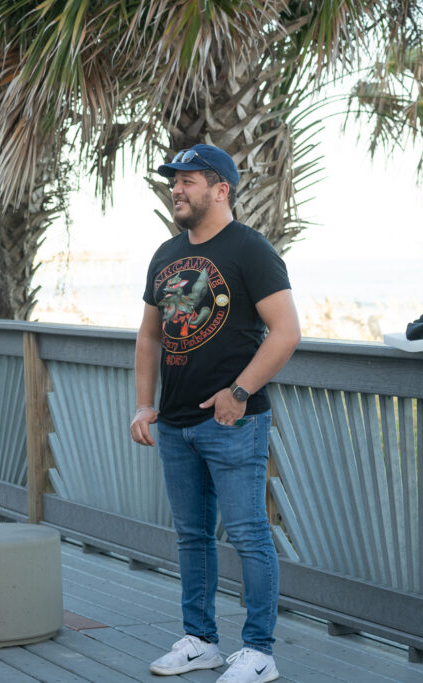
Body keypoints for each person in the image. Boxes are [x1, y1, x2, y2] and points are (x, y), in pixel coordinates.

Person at [130, 144, 301, 683]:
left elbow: (288, 332)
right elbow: (149, 336)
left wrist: (239, 392)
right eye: (174, 181)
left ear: (221, 188)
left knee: (249, 533)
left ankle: (259, 652)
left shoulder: (250, 250)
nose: (176, 189)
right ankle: (200, 640)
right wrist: (143, 403)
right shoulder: (165, 253)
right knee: (192, 536)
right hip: (176, 423)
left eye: (188, 180)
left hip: (234, 421)